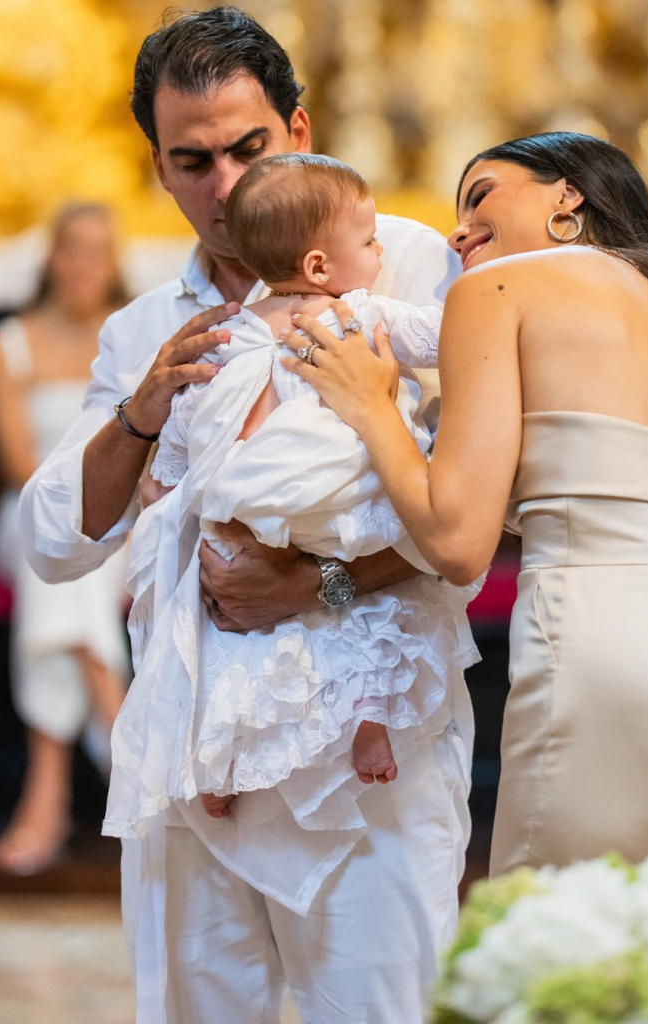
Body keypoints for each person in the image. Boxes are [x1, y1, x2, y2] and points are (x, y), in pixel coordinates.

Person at [19, 9, 472, 1023]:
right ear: (159, 168)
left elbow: (481, 507)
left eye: (247, 148)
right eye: (193, 160)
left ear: (300, 130)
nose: (223, 185)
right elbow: (53, 538)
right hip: (194, 752)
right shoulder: (144, 325)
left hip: (369, 765)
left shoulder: (403, 267)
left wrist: (318, 582)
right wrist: (140, 415)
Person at [284, 131, 648, 874]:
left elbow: (457, 545)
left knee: (556, 958)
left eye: (480, 195)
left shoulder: (496, 289)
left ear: (567, 196)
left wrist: (371, 405)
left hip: (600, 656)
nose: (457, 229)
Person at [105, 153, 476, 859]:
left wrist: (167, 486)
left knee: (224, 637)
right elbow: (445, 339)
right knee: (383, 600)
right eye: (369, 242)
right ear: (316, 264)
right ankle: (370, 719)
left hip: (248, 504)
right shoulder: (357, 310)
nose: (379, 251)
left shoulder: (230, 334)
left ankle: (216, 762)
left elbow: (184, 427)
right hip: (334, 498)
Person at [0, 203, 130, 875]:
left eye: (96, 251)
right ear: (52, 257)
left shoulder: (131, 337)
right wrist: (78, 506)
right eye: (71, 249)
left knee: (73, 568)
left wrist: (102, 505)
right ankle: (122, 731)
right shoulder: (7, 343)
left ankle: (46, 796)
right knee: (58, 552)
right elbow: (18, 468)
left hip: (120, 522)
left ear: (113, 262)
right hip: (26, 517)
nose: (81, 265)